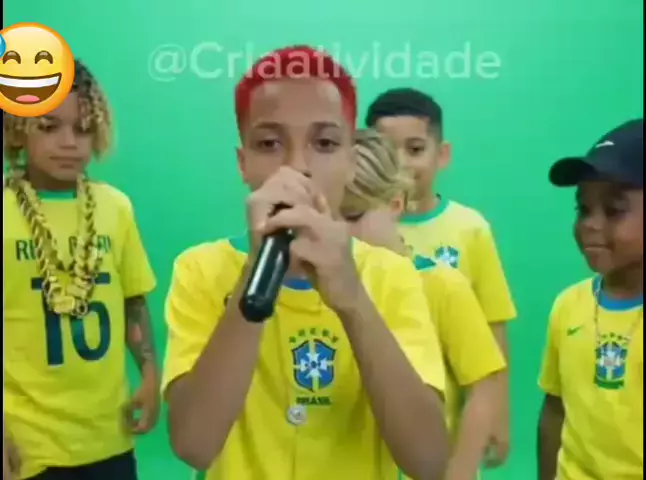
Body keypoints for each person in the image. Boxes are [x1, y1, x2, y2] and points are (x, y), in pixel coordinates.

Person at [161, 45, 449, 480]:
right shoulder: (200, 270)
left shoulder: (392, 276)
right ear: (243, 163)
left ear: (351, 161)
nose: (297, 166)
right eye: (269, 143)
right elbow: (193, 445)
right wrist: (255, 272)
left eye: (325, 143)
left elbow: (427, 461)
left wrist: (353, 300)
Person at [3, 59, 160, 480]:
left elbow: (132, 302)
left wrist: (149, 372)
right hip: (30, 444)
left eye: (83, 128)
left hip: (108, 439)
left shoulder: (115, 208)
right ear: (17, 131)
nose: (69, 143)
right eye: (49, 127)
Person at [343, 128, 507, 480]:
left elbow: (484, 384)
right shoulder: (329, 290)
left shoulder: (441, 283)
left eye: (352, 215)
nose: (338, 233)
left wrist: (460, 471)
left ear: (395, 204)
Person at [538, 119, 643, 480]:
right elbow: (555, 410)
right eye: (583, 209)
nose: (591, 224)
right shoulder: (568, 305)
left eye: (614, 210)